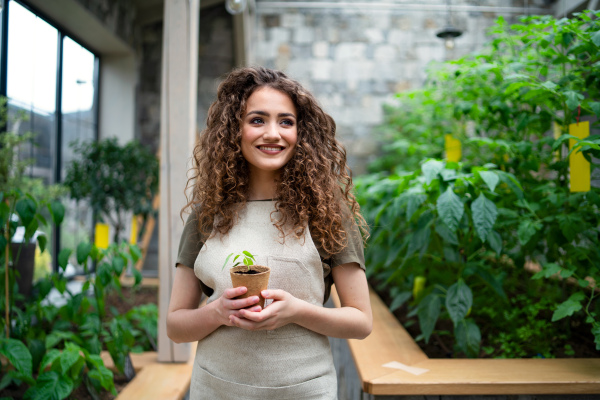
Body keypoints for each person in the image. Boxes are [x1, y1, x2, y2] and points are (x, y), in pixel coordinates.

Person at [166, 66, 372, 400]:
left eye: (286, 121)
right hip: (217, 389)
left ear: (301, 133)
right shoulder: (207, 215)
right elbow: (175, 327)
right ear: (235, 130)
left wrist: (297, 312)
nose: (273, 133)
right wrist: (217, 313)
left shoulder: (325, 213)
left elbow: (361, 321)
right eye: (257, 120)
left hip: (305, 391)